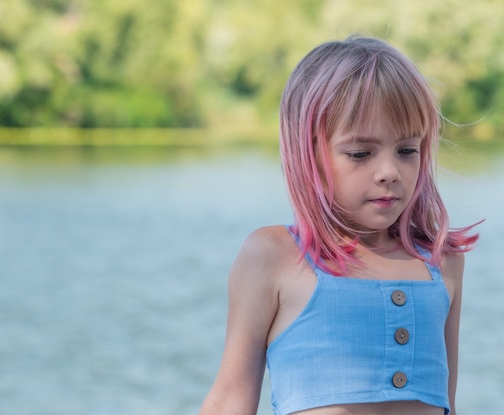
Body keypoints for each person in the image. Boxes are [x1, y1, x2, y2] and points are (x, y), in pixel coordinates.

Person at [199, 35, 479, 415]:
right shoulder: (274, 256)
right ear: (308, 153)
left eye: (407, 150)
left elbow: (450, 404)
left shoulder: (441, 262)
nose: (389, 172)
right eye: (360, 153)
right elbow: (229, 401)